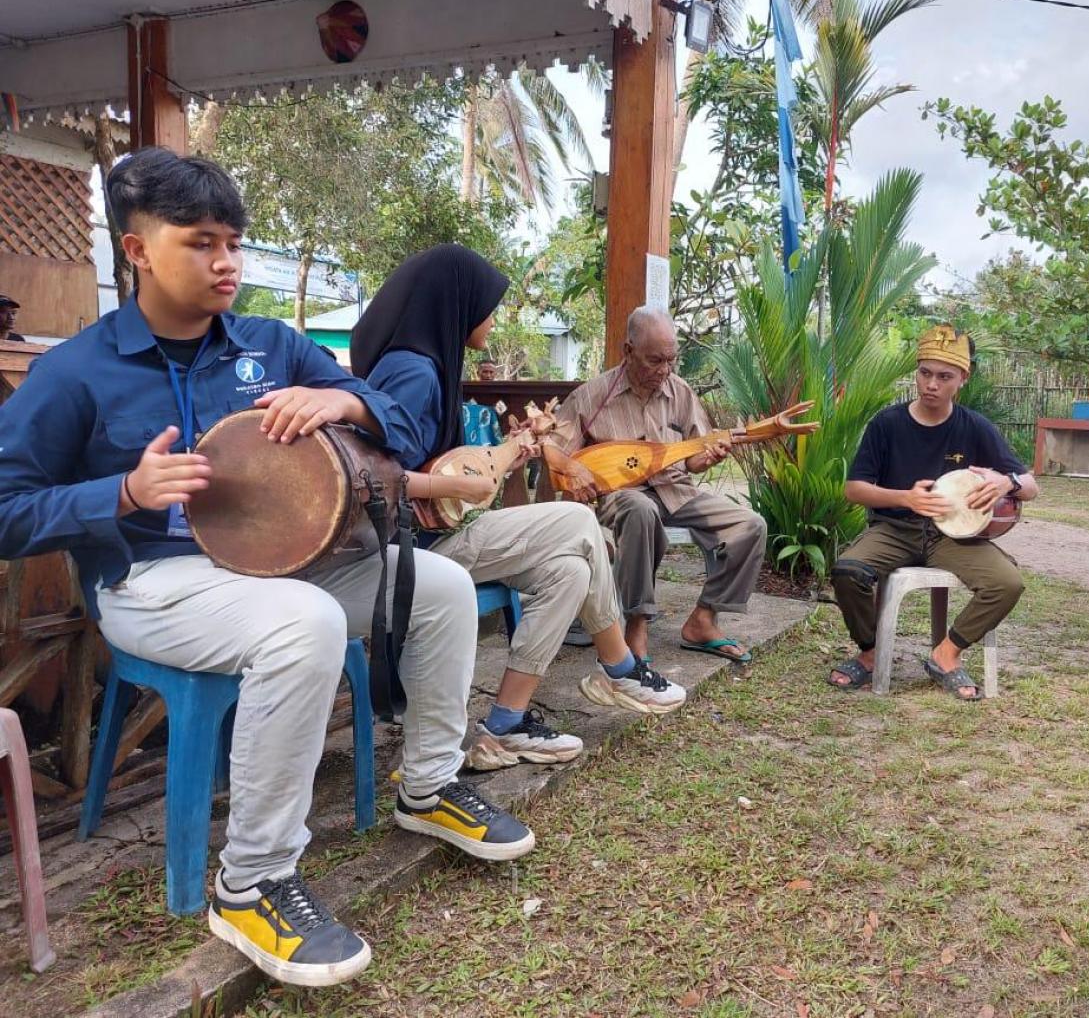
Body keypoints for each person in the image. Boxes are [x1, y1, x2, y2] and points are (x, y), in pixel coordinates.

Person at [0, 149, 534, 988]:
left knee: (439, 585)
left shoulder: (272, 345)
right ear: (138, 251)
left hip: (284, 568)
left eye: (235, 243)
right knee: (304, 623)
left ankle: (429, 786)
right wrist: (122, 492)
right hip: (150, 581)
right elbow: (7, 510)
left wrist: (344, 399)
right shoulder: (75, 372)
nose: (227, 263)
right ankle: (250, 881)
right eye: (201, 242)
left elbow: (400, 425)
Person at [351, 246, 685, 760]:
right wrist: (459, 488)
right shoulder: (414, 372)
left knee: (570, 571)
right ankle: (619, 668)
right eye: (487, 307)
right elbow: (370, 481)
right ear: (457, 304)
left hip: (437, 534)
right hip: (413, 550)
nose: (492, 318)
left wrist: (505, 454)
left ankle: (505, 723)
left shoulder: (426, 364)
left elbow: (445, 465)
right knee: (577, 521)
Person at [828, 324, 1039, 699]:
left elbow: (1031, 485)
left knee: (1007, 583)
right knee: (848, 571)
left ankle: (947, 653)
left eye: (944, 377)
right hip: (894, 529)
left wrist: (1006, 482)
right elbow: (854, 489)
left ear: (962, 380)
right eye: (925, 373)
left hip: (954, 537)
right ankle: (871, 652)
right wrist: (906, 498)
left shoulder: (975, 427)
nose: (931, 384)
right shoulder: (887, 424)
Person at [551, 306, 767, 665]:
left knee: (750, 525)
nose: (664, 370)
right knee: (641, 509)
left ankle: (703, 619)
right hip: (623, 495)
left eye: (671, 360)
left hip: (675, 490)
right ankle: (636, 623)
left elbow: (694, 457)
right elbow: (554, 452)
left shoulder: (679, 391)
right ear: (628, 350)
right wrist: (573, 471)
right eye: (655, 360)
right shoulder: (590, 397)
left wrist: (709, 456)